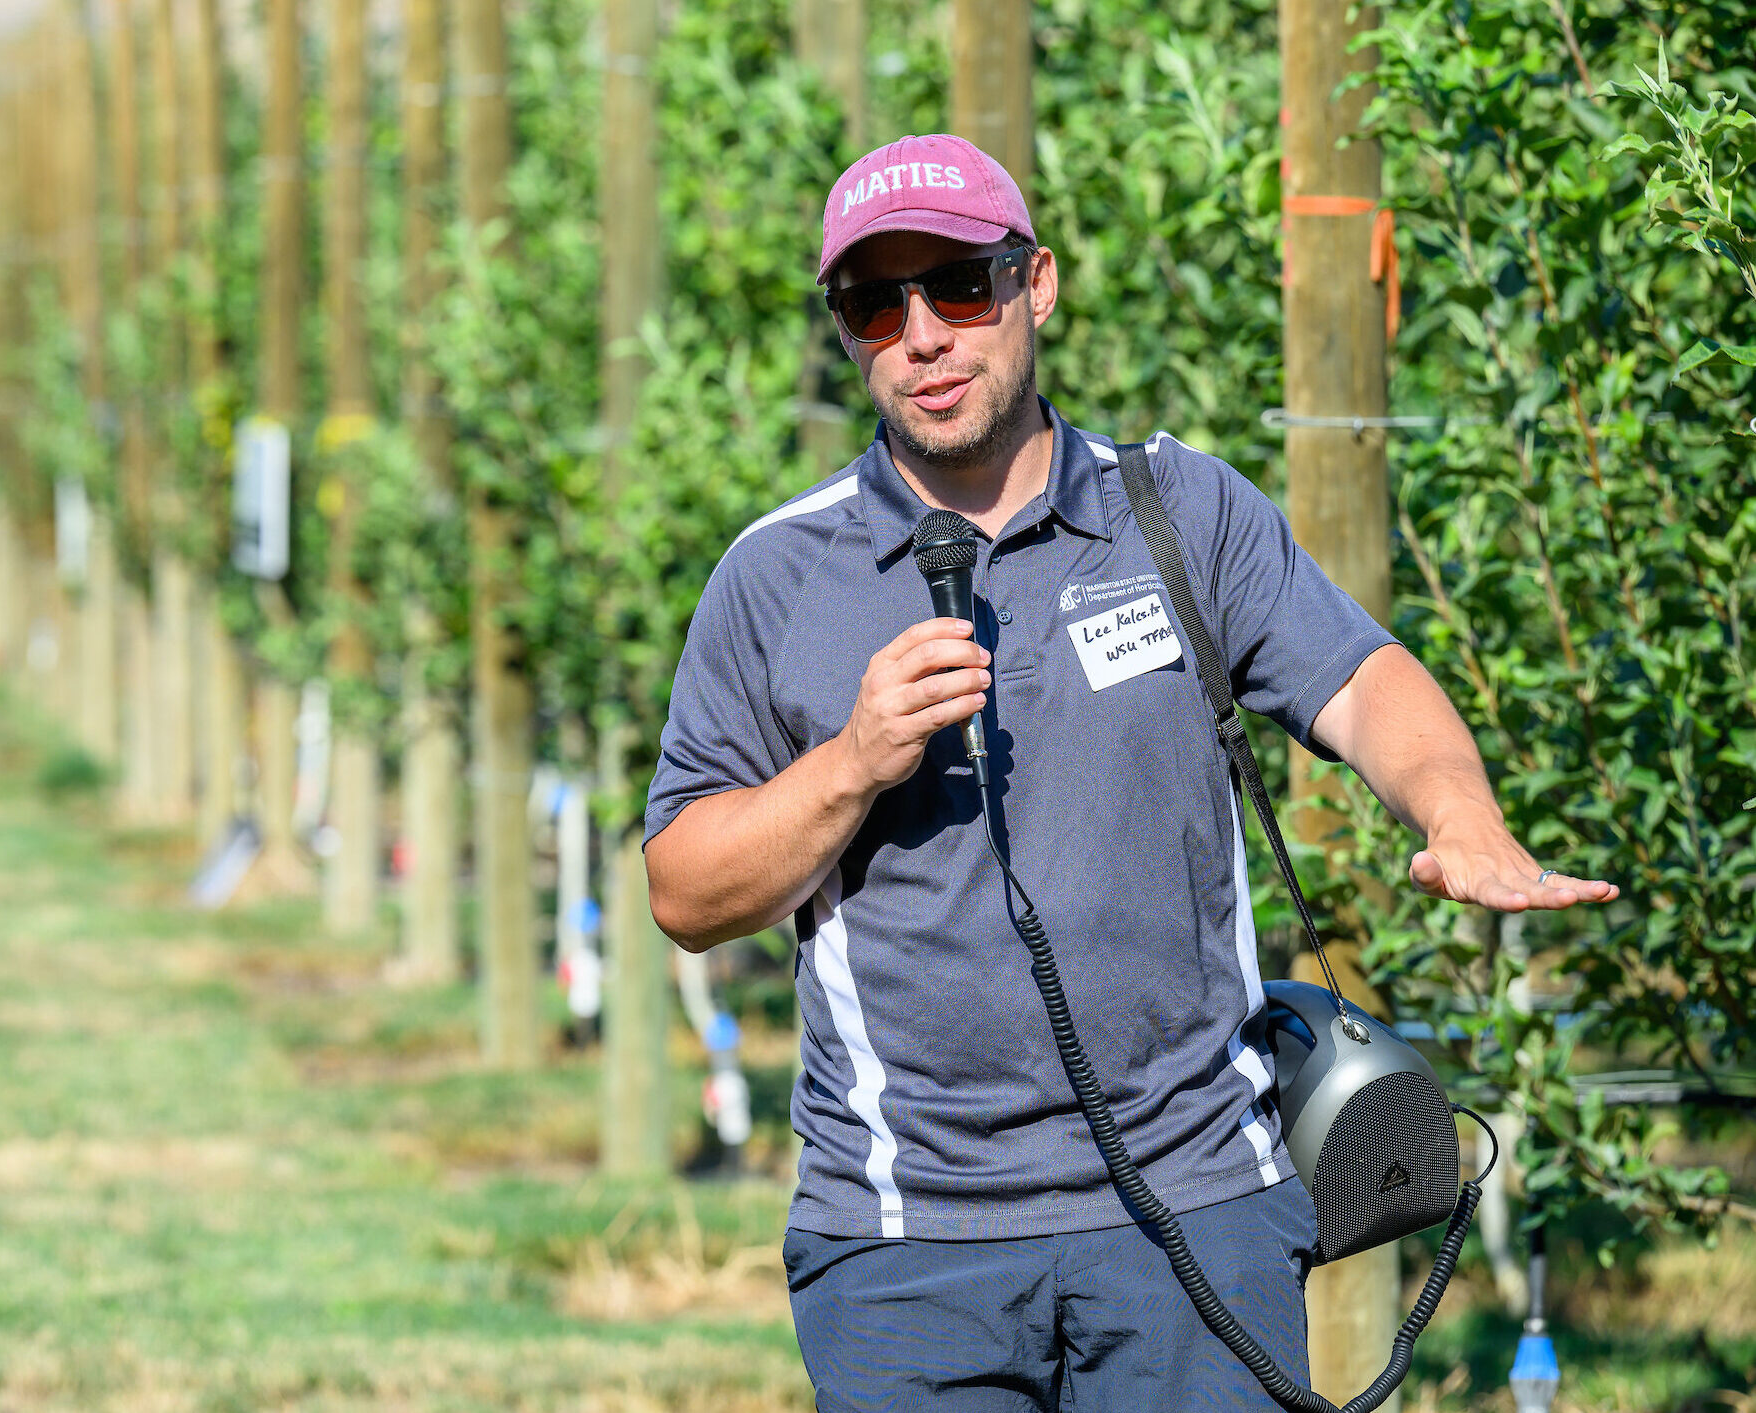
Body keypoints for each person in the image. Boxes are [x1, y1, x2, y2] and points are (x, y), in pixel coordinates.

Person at [642, 133, 1618, 1411]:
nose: (923, 335)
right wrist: (848, 765)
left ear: (1035, 283)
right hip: (902, 1246)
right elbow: (682, 890)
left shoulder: (1180, 511)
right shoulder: (773, 576)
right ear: (844, 333)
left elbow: (1362, 679)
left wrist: (1461, 814)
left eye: (958, 284)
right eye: (875, 303)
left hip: (1195, 1212)